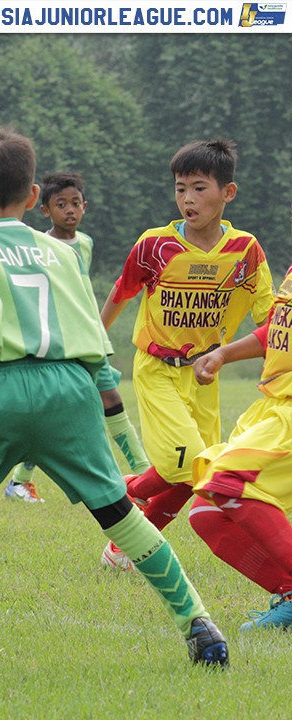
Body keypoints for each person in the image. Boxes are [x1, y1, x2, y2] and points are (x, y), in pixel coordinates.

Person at [0, 126, 227, 670]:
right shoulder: (64, 254)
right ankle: (199, 624)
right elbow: (94, 341)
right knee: (122, 516)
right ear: (34, 198)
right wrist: (106, 397)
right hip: (69, 390)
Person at [98, 139, 273, 571]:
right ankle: (122, 492)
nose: (187, 199)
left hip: (203, 376)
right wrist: (94, 345)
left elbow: (273, 321)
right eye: (180, 189)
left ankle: (123, 545)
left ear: (227, 193)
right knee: (190, 466)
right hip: (157, 369)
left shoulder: (246, 252)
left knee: (198, 475)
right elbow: (120, 295)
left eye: (199, 188)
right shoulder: (154, 245)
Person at [5, 172, 150, 504]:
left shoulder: (84, 242)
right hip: (59, 340)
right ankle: (19, 480)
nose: (69, 210)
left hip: (87, 335)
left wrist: (96, 326)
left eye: (75, 203)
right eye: (61, 204)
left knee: (110, 400)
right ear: (44, 210)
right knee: (57, 413)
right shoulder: (39, 247)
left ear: (84, 206)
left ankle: (143, 473)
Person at [188, 264, 292, 630]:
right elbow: (276, 331)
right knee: (206, 511)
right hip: (271, 408)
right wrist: (222, 354)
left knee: (228, 483)